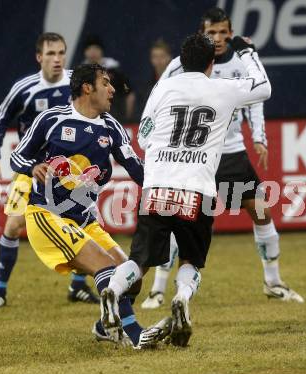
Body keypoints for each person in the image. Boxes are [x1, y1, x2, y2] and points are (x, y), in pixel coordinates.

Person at [104, 32, 271, 347]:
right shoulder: (223, 89)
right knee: (191, 260)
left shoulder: (164, 87)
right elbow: (264, 88)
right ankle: (181, 298)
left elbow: (144, 133)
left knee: (139, 259)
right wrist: (247, 52)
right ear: (211, 63)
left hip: (157, 186)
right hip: (197, 188)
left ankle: (112, 291)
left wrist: (163, 151)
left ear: (180, 61)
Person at [141, 7, 304, 309]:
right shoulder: (180, 65)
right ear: (201, 33)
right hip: (192, 157)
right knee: (179, 218)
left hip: (229, 154)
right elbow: (157, 99)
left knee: (261, 211)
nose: (217, 38)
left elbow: (255, 102)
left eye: (222, 32)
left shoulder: (241, 65)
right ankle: (158, 289)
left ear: (230, 33)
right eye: (211, 32)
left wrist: (259, 137)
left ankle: (273, 282)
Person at [9, 62, 171, 348]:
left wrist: (173, 184)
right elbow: (17, 157)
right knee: (107, 268)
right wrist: (33, 166)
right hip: (47, 215)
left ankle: (102, 327)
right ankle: (135, 335)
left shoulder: (111, 127)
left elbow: (136, 168)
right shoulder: (52, 120)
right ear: (87, 88)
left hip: (84, 221)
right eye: (105, 83)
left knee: (130, 276)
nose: (112, 90)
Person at [0, 32, 99, 308]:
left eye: (61, 53)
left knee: (82, 224)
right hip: (31, 168)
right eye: (51, 53)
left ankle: (78, 286)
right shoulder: (24, 88)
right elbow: (0, 120)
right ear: (39, 57)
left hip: (69, 171)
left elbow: (96, 112)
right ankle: (0, 290)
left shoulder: (77, 82)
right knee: (13, 224)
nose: (57, 59)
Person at [82, 34, 135, 122]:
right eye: (89, 49)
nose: (93, 52)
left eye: (96, 48)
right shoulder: (80, 74)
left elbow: (129, 93)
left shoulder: (115, 71)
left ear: (101, 51)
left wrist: (127, 117)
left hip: (115, 118)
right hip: (88, 120)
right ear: (85, 52)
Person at [135, 38, 172, 120]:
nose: (159, 61)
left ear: (169, 57)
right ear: (151, 59)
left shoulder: (178, 85)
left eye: (162, 56)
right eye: (155, 57)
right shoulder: (144, 89)